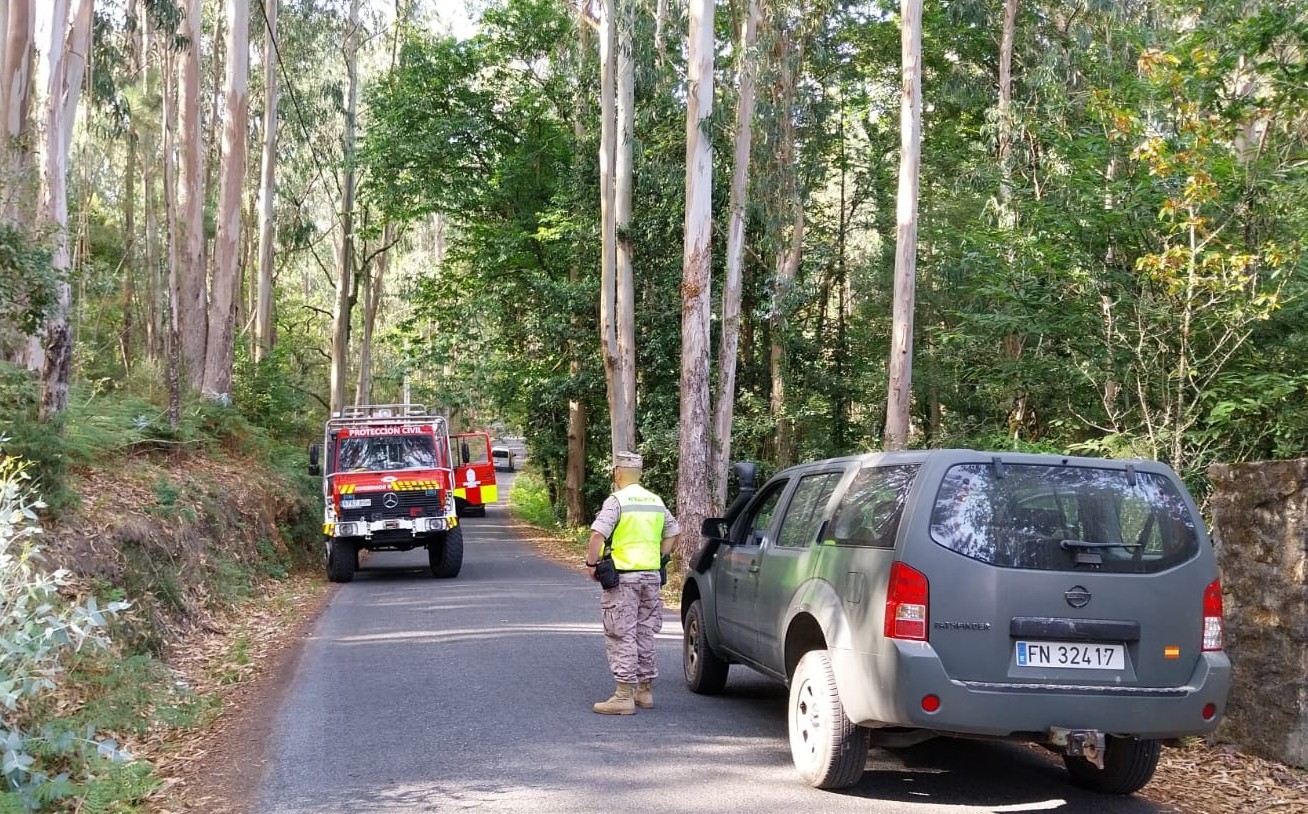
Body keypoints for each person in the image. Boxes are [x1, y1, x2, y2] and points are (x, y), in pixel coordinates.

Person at [585, 451, 679, 715]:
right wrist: (660, 558)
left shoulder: (617, 501)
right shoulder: (655, 501)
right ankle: (645, 691)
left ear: (617, 473)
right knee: (644, 631)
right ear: (640, 473)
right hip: (650, 576)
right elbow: (673, 531)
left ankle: (623, 696)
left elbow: (597, 535)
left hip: (624, 578)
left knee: (620, 632)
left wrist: (592, 565)